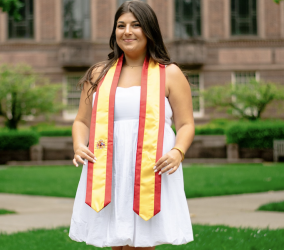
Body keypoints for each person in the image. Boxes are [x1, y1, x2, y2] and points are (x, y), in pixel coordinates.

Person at [69, 1, 195, 249]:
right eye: (121, 25)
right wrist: (77, 144)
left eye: (136, 25)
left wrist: (177, 151)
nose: (127, 31)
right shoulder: (98, 74)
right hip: (108, 165)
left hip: (151, 166)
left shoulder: (169, 73)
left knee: (143, 241)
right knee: (115, 238)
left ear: (149, 30)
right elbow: (82, 121)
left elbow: (186, 123)